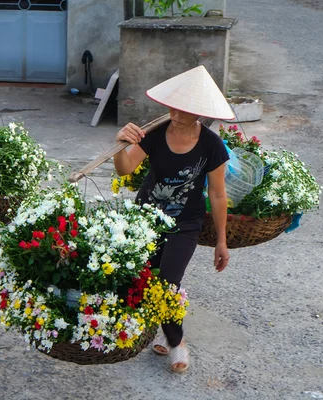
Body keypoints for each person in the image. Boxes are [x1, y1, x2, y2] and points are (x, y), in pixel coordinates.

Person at [113, 65, 233, 373]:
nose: (175, 112)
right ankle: (164, 331)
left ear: (200, 113)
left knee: (168, 281)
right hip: (146, 219)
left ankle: (177, 341)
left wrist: (222, 241)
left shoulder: (211, 146)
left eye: (184, 109)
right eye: (173, 105)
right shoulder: (154, 134)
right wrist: (120, 145)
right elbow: (125, 168)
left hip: (185, 224)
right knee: (144, 277)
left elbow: (218, 195)